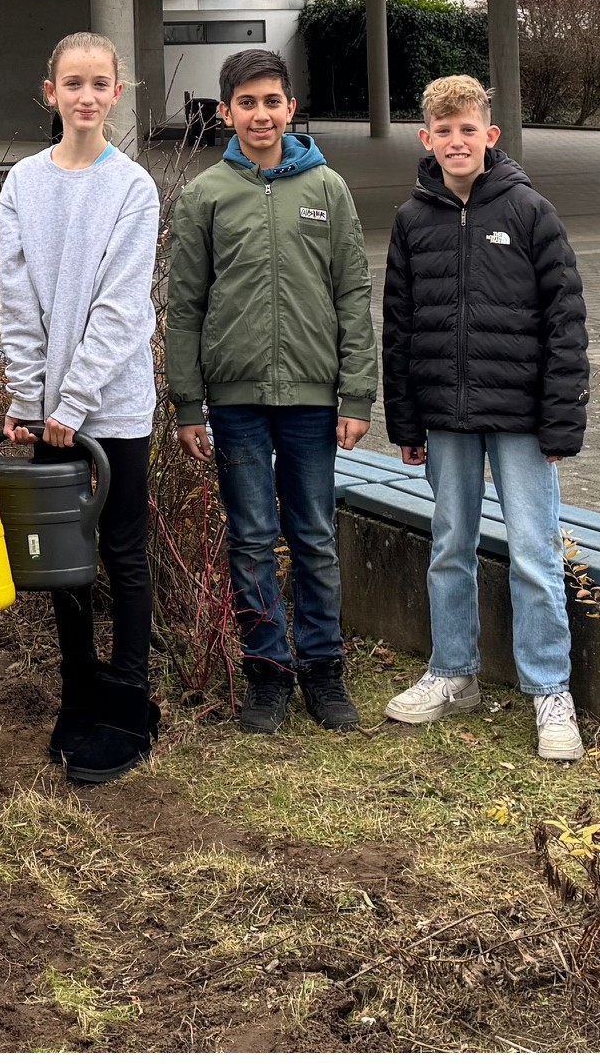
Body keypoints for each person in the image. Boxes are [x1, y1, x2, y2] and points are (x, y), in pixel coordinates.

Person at [164, 48, 376, 736]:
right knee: (251, 537)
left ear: (290, 108)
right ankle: (266, 671)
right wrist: (186, 403)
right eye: (246, 103)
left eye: (272, 101)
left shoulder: (328, 189)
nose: (261, 114)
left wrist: (356, 395)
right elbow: (185, 306)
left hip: (313, 399)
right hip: (235, 401)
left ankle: (322, 667)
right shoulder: (205, 196)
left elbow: (352, 294)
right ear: (225, 113)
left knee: (313, 535)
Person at [381, 74, 589, 761]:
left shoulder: (530, 211)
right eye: (443, 131)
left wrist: (562, 422)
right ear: (426, 139)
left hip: (523, 420)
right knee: (449, 545)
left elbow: (565, 321)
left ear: (489, 135)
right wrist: (405, 421)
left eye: (467, 129)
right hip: (445, 417)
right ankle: (452, 671)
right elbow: (398, 327)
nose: (456, 141)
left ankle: (550, 690)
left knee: (533, 552)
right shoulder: (412, 221)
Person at [0, 32, 162, 784]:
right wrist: (30, 399)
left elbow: (122, 308)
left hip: (113, 407)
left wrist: (75, 398)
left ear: (117, 93)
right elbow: (17, 300)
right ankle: (79, 688)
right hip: (49, 413)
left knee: (122, 552)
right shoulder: (22, 183)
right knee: (63, 557)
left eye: (99, 83)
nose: (86, 96)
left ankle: (129, 699)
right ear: (51, 92)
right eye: (73, 83)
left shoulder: (132, 186)